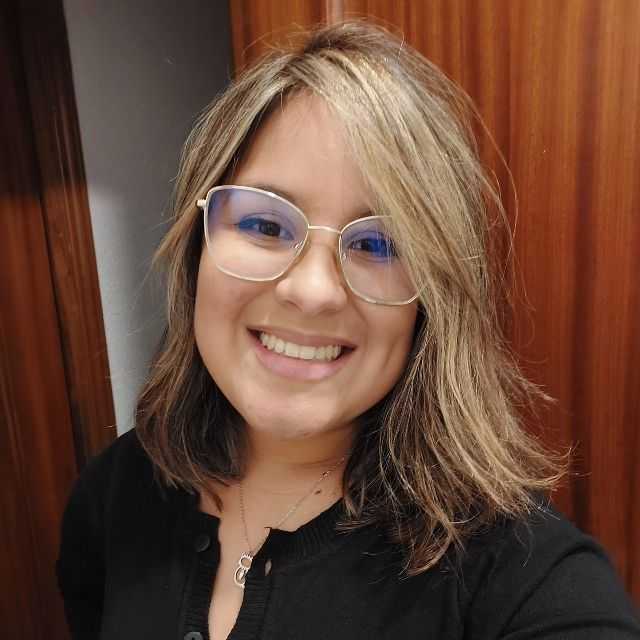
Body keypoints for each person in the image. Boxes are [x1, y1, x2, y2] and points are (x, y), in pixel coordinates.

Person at [56, 20, 640, 640]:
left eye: (379, 243)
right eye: (264, 225)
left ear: (432, 300)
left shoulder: (514, 571)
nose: (313, 291)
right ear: (196, 246)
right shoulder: (114, 494)